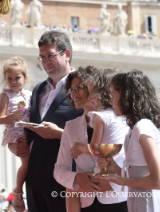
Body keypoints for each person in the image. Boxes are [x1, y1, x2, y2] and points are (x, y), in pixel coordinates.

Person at [8, 30, 82, 212]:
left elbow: (94, 135)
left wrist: (58, 134)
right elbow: (29, 134)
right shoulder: (37, 90)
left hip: (66, 181)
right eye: (42, 57)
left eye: (50, 55)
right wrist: (15, 145)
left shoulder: (83, 88)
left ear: (67, 54)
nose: (46, 62)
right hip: (35, 181)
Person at [94, 69, 160, 212]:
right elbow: (139, 174)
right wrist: (114, 168)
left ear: (126, 97)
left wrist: (120, 180)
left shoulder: (143, 127)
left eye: (113, 95)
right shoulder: (133, 130)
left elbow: (159, 181)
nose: (110, 101)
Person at [54, 66, 129, 212]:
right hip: (86, 203)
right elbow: (59, 169)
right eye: (71, 89)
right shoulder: (70, 127)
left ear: (94, 88)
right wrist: (76, 178)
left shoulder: (120, 121)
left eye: (79, 88)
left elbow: (128, 164)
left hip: (119, 201)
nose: (73, 94)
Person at [0, 56, 31, 212]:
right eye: (9, 78)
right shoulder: (6, 96)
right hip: (15, 134)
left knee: (30, 163)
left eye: (17, 77)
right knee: (26, 162)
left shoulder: (30, 95)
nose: (14, 81)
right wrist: (13, 116)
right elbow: (0, 119)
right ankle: (18, 191)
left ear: (25, 77)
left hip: (30, 133)